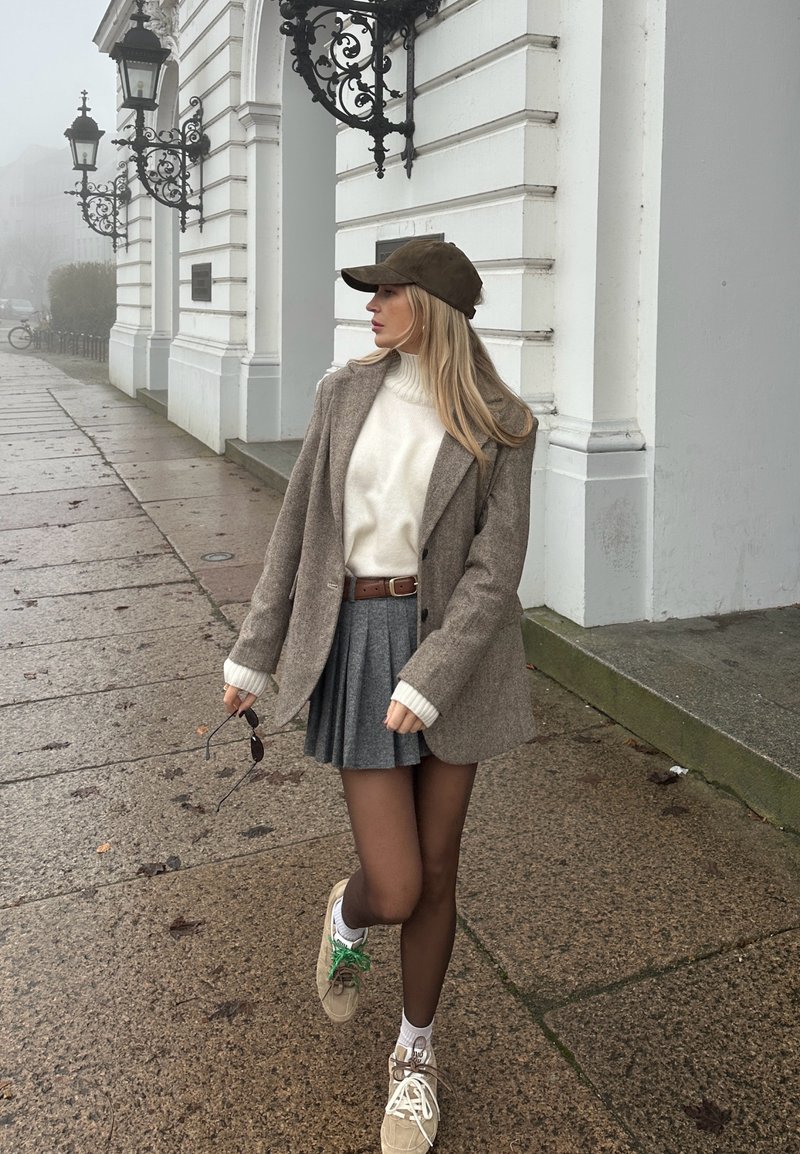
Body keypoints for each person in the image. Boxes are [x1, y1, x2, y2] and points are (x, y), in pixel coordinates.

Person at [221, 238, 537, 1152]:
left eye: (386, 292)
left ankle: (414, 1058)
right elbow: (300, 535)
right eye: (373, 293)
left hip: (454, 652)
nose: (370, 305)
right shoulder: (343, 392)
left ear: (430, 307)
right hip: (356, 641)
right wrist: (254, 655)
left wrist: (433, 674)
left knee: (439, 873)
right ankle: (347, 913)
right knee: (393, 884)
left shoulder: (504, 423)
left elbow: (495, 566)